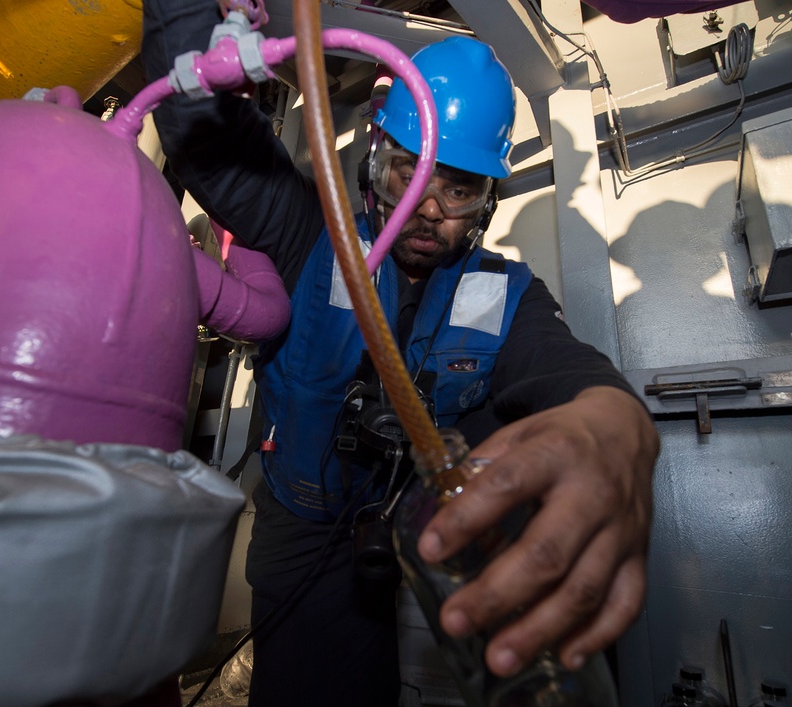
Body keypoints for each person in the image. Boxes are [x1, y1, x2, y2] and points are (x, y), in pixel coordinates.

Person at [142, 1, 660, 704]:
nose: (427, 207)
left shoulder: (504, 294)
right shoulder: (309, 234)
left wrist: (619, 426)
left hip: (396, 529)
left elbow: (569, 372)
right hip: (302, 534)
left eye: (459, 187)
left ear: (487, 201)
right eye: (406, 173)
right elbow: (202, 140)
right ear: (371, 163)